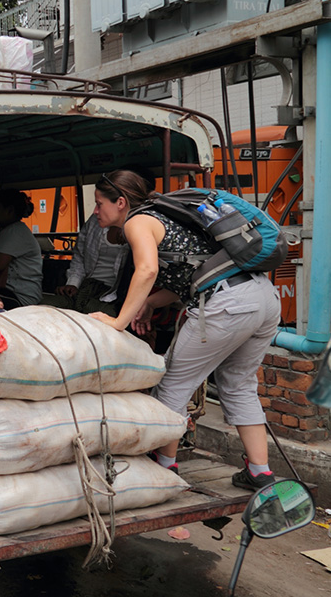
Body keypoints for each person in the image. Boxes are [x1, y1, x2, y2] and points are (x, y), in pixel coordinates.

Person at [89, 169, 281, 491]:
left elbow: (148, 269)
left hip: (228, 303)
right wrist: (150, 303)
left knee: (172, 384)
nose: (95, 211)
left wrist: (119, 321)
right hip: (262, 296)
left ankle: (164, 467)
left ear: (120, 202)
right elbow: (196, 273)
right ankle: (260, 472)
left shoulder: (138, 221)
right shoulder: (169, 218)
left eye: (98, 203)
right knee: (239, 384)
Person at [41, 213, 129, 316]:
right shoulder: (94, 221)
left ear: (120, 203)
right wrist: (73, 284)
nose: (96, 210)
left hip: (111, 296)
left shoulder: (139, 226)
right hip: (84, 289)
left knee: (99, 315)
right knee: (43, 306)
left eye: (100, 204)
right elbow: (79, 257)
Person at [0, 189, 43, 309]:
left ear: (10, 210)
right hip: (5, 291)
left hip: (19, 296)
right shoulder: (7, 231)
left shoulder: (15, 231)